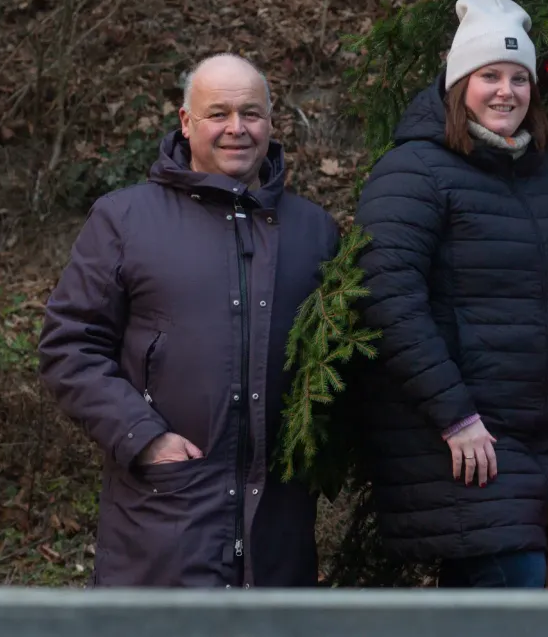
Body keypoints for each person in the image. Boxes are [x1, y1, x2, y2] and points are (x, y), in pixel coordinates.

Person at [38, 54, 339, 587]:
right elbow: (69, 346)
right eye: (217, 114)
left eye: (251, 113)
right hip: (163, 523)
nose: (236, 129)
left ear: (271, 123)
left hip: (278, 535)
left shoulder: (315, 231)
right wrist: (143, 437)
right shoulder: (125, 220)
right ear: (185, 122)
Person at [353, 0, 548, 588]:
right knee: (512, 586)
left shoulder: (544, 174)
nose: (506, 91)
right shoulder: (414, 171)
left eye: (519, 77)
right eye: (489, 75)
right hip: (464, 439)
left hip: (537, 437)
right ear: (460, 83)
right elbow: (388, 297)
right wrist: (455, 416)